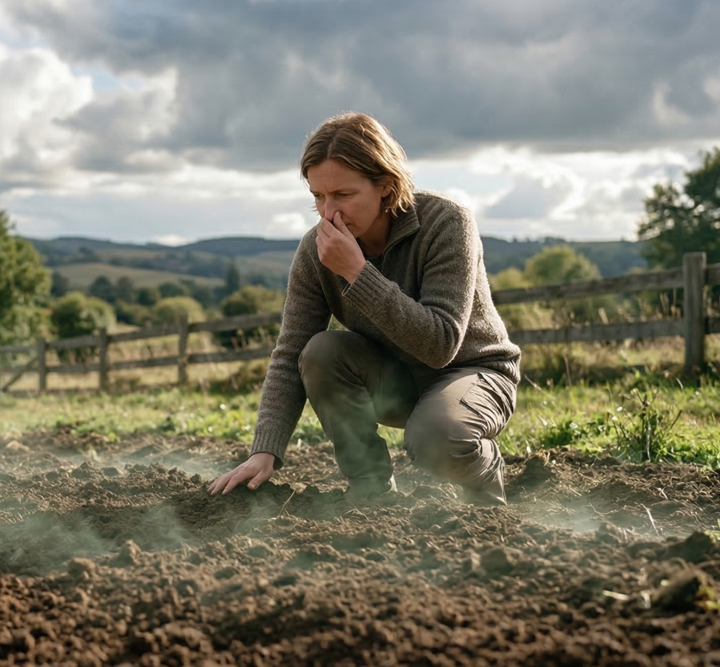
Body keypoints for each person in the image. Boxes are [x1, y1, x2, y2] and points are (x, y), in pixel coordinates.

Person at [207, 112, 521, 505]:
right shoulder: (315, 251)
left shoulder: (446, 223)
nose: (328, 212)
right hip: (395, 382)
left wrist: (357, 273)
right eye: (318, 197)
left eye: (343, 195)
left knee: (437, 438)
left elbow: (440, 345)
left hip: (472, 372)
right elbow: (290, 355)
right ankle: (371, 494)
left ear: (386, 187)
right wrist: (264, 450)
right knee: (321, 350)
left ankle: (486, 494)